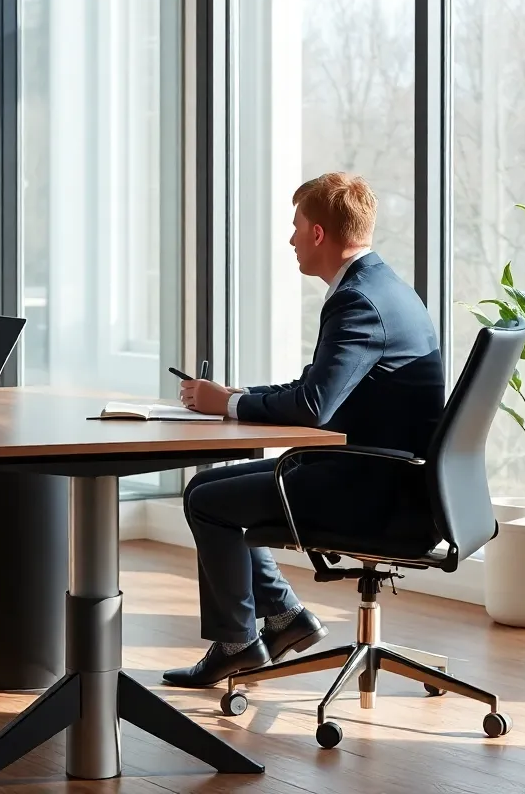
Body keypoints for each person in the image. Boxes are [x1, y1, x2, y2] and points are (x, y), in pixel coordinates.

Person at [163, 172, 444, 689]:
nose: (291, 238)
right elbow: (321, 387)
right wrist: (236, 397)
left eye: (296, 226)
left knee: (207, 502)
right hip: (385, 474)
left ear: (319, 234)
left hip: (370, 486)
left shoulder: (358, 301)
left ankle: (239, 644)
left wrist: (229, 405)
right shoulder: (381, 288)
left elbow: (313, 406)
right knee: (206, 488)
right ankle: (284, 618)